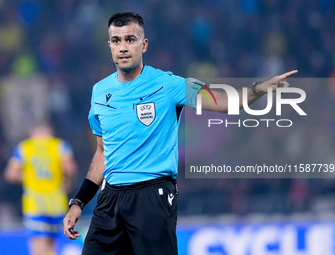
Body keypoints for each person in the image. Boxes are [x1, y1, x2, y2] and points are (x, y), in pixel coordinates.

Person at [63, 12, 297, 255]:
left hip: (151, 196)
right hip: (109, 200)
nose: (123, 47)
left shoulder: (169, 84)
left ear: (144, 45)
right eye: (117, 40)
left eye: (130, 39)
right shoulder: (100, 92)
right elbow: (102, 152)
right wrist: (78, 202)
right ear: (109, 46)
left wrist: (259, 89)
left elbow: (226, 102)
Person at [4, 122, 77, 255]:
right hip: (56, 202)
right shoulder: (60, 145)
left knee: (37, 247)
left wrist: (27, 177)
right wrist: (67, 182)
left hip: (35, 204)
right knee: (51, 247)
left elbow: (11, 174)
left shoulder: (25, 147)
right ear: (50, 130)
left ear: (32, 131)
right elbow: (70, 169)